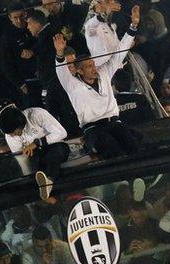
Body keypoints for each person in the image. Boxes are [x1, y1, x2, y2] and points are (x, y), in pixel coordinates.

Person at [54, 4, 142, 159]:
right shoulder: (72, 84)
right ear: (79, 70)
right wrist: (60, 53)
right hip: (93, 129)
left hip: (114, 123)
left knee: (133, 147)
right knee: (112, 150)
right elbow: (61, 70)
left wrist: (133, 26)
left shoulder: (104, 72)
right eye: (89, 66)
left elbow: (120, 52)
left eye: (93, 64)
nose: (94, 68)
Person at [0, 102, 69, 198]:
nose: (13, 136)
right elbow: (21, 159)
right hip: (37, 157)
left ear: (20, 124)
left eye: (15, 132)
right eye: (11, 134)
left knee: (55, 153)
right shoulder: (9, 136)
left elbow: (61, 133)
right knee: (33, 163)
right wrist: (27, 178)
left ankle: (48, 182)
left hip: (56, 147)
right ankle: (43, 186)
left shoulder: (36, 114)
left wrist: (37, 143)